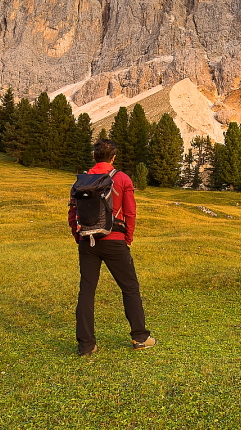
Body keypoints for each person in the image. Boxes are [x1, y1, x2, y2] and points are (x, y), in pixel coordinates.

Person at [70, 137, 155, 356]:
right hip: (115, 240)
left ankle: (86, 345)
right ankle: (140, 337)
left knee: (87, 291)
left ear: (93, 156)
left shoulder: (80, 181)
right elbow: (131, 212)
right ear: (114, 157)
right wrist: (128, 237)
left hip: (87, 240)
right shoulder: (123, 178)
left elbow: (73, 212)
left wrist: (77, 235)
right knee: (129, 288)